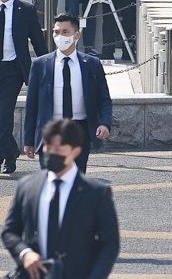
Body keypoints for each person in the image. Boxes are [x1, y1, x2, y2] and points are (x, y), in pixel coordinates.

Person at [1, 119, 120, 279]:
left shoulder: (96, 193)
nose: (51, 153)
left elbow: (110, 244)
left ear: (75, 151)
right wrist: (25, 253)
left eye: (58, 149)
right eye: (48, 147)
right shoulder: (28, 186)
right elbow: (10, 232)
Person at [22, 14, 112, 173]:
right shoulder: (40, 64)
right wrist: (28, 140)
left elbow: (103, 98)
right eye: (56, 32)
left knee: (76, 179)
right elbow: (32, 105)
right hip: (50, 129)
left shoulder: (91, 64)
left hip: (80, 129)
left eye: (65, 32)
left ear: (76, 35)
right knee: (51, 181)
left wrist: (105, 123)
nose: (59, 36)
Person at [0, 0, 46, 175]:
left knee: (4, 113)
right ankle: (10, 150)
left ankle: (6, 157)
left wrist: (47, 67)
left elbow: (38, 41)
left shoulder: (25, 10)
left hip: (13, 70)